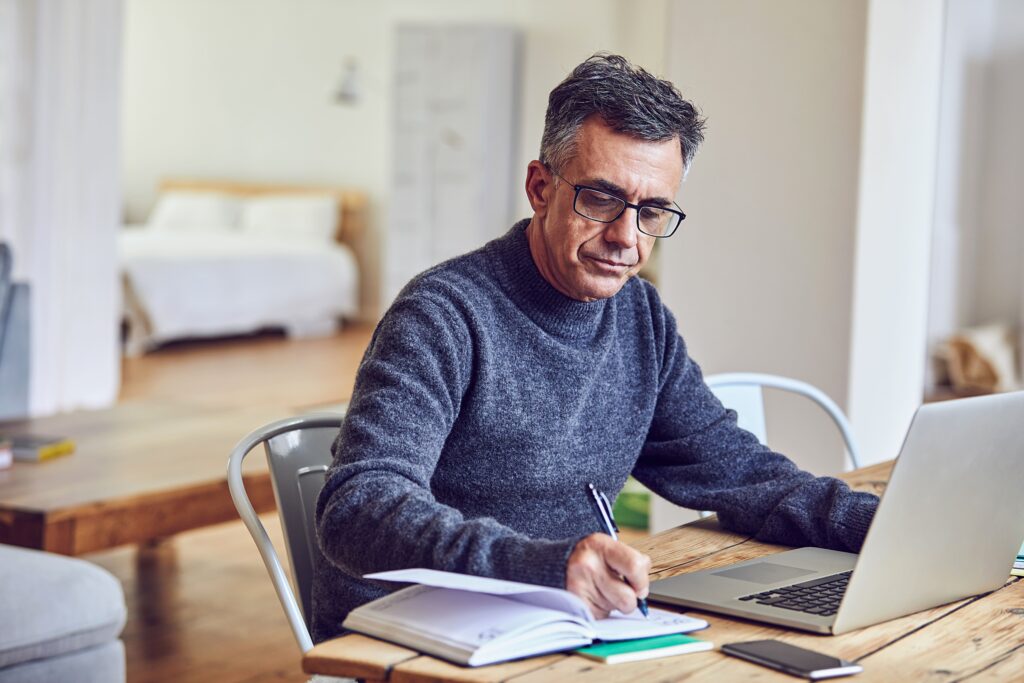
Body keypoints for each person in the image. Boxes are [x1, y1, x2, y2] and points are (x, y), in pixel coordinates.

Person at [312, 53, 879, 643]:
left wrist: (887, 525)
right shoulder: (442, 314)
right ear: (539, 187)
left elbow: (739, 474)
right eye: (602, 200)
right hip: (414, 634)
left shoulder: (641, 317)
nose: (626, 238)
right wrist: (541, 566)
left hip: (563, 625)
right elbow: (357, 507)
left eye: (652, 211)